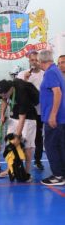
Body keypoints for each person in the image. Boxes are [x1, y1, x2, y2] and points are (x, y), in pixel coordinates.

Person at [0, 78, 38, 181]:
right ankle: (10, 169)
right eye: (1, 94)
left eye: (5, 94)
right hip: (14, 117)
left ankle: (27, 173)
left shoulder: (21, 94)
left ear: (11, 90)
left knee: (27, 146)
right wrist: (2, 115)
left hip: (28, 119)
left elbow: (22, 118)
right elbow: (4, 100)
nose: (3, 96)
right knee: (10, 145)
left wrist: (17, 137)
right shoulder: (5, 91)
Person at [38, 50, 65, 185]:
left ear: (41, 61)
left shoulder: (50, 73)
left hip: (54, 118)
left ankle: (58, 175)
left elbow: (57, 93)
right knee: (60, 146)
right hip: (59, 117)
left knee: (51, 146)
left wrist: (53, 114)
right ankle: (62, 174)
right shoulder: (56, 71)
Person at [17, 51, 45, 170]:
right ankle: (20, 159)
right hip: (26, 113)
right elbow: (18, 91)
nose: (34, 62)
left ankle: (37, 160)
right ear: (29, 61)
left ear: (40, 61)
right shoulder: (22, 74)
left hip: (39, 112)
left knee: (38, 137)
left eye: (36, 60)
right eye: (32, 60)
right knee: (23, 136)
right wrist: (25, 80)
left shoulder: (45, 74)